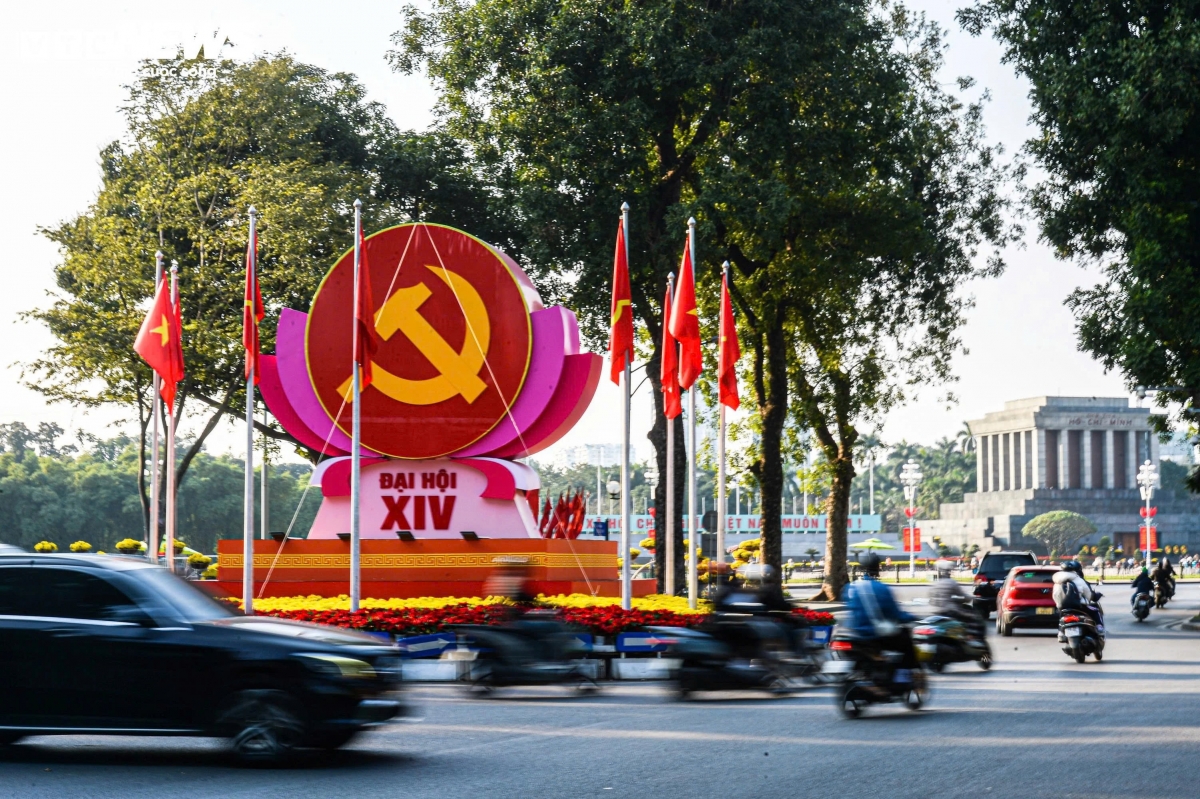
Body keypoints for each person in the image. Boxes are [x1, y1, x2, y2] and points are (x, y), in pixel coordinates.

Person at [841, 554, 918, 674]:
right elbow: (894, 613)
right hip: (875, 635)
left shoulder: (850, 588)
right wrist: (911, 617)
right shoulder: (882, 588)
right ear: (877, 568)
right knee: (906, 641)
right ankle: (904, 677)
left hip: (855, 634)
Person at [929, 559, 982, 635]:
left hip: (935, 612)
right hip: (949, 611)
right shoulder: (951, 583)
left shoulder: (934, 584)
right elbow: (963, 595)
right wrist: (973, 598)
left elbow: (933, 599)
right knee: (971, 618)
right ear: (948, 572)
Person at [1053, 559, 1103, 631]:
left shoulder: (1057, 581)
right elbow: (1088, 595)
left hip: (1062, 607)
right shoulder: (1078, 579)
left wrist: (1059, 604)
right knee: (1095, 610)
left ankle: (1061, 632)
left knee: (1061, 619)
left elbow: (1055, 595)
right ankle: (1099, 627)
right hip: (1079, 606)